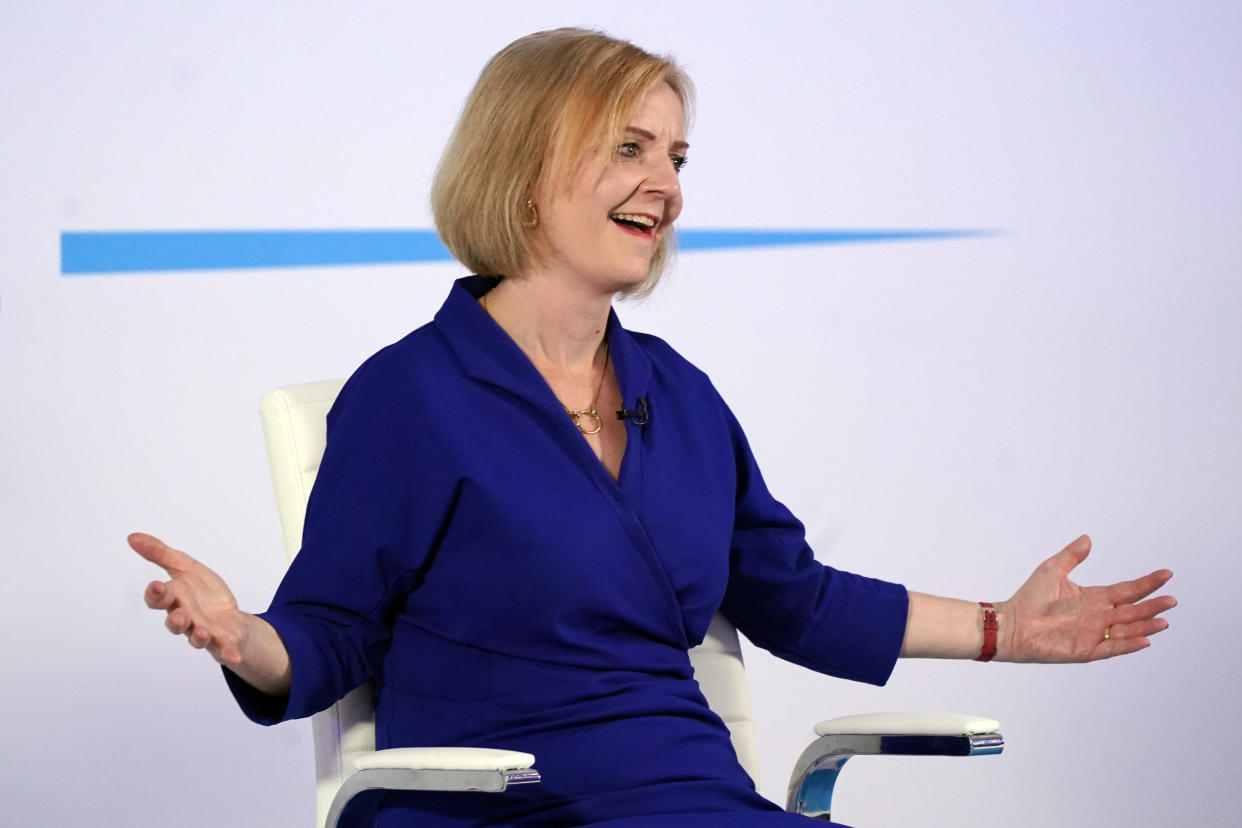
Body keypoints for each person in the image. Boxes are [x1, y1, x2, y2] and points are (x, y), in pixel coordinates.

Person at [129, 28, 1176, 828]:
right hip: (502, 806)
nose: (668, 187)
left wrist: (1007, 627)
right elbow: (328, 632)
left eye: (678, 156)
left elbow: (796, 599)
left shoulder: (678, 396)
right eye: (631, 148)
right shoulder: (412, 395)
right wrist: (246, 640)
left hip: (691, 798)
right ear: (527, 163)